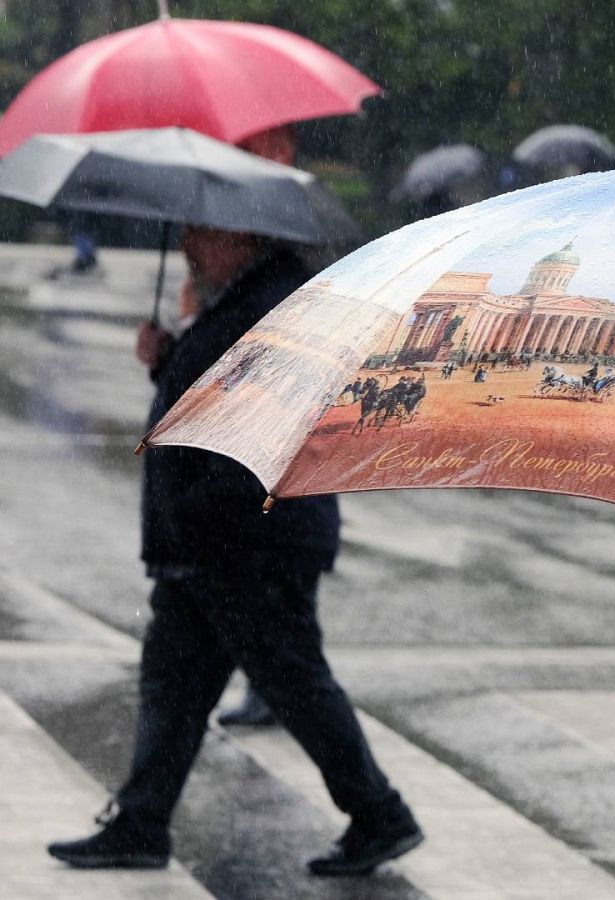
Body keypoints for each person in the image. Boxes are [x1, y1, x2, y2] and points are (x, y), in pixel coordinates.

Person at [48, 226, 423, 877]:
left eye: (200, 235)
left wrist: (198, 507)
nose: (188, 246)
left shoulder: (275, 305)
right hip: (215, 545)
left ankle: (379, 813)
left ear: (241, 236)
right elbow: (210, 394)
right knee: (174, 682)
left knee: (292, 683)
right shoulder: (240, 297)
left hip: (249, 543)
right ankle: (141, 822)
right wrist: (167, 358)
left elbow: (263, 422)